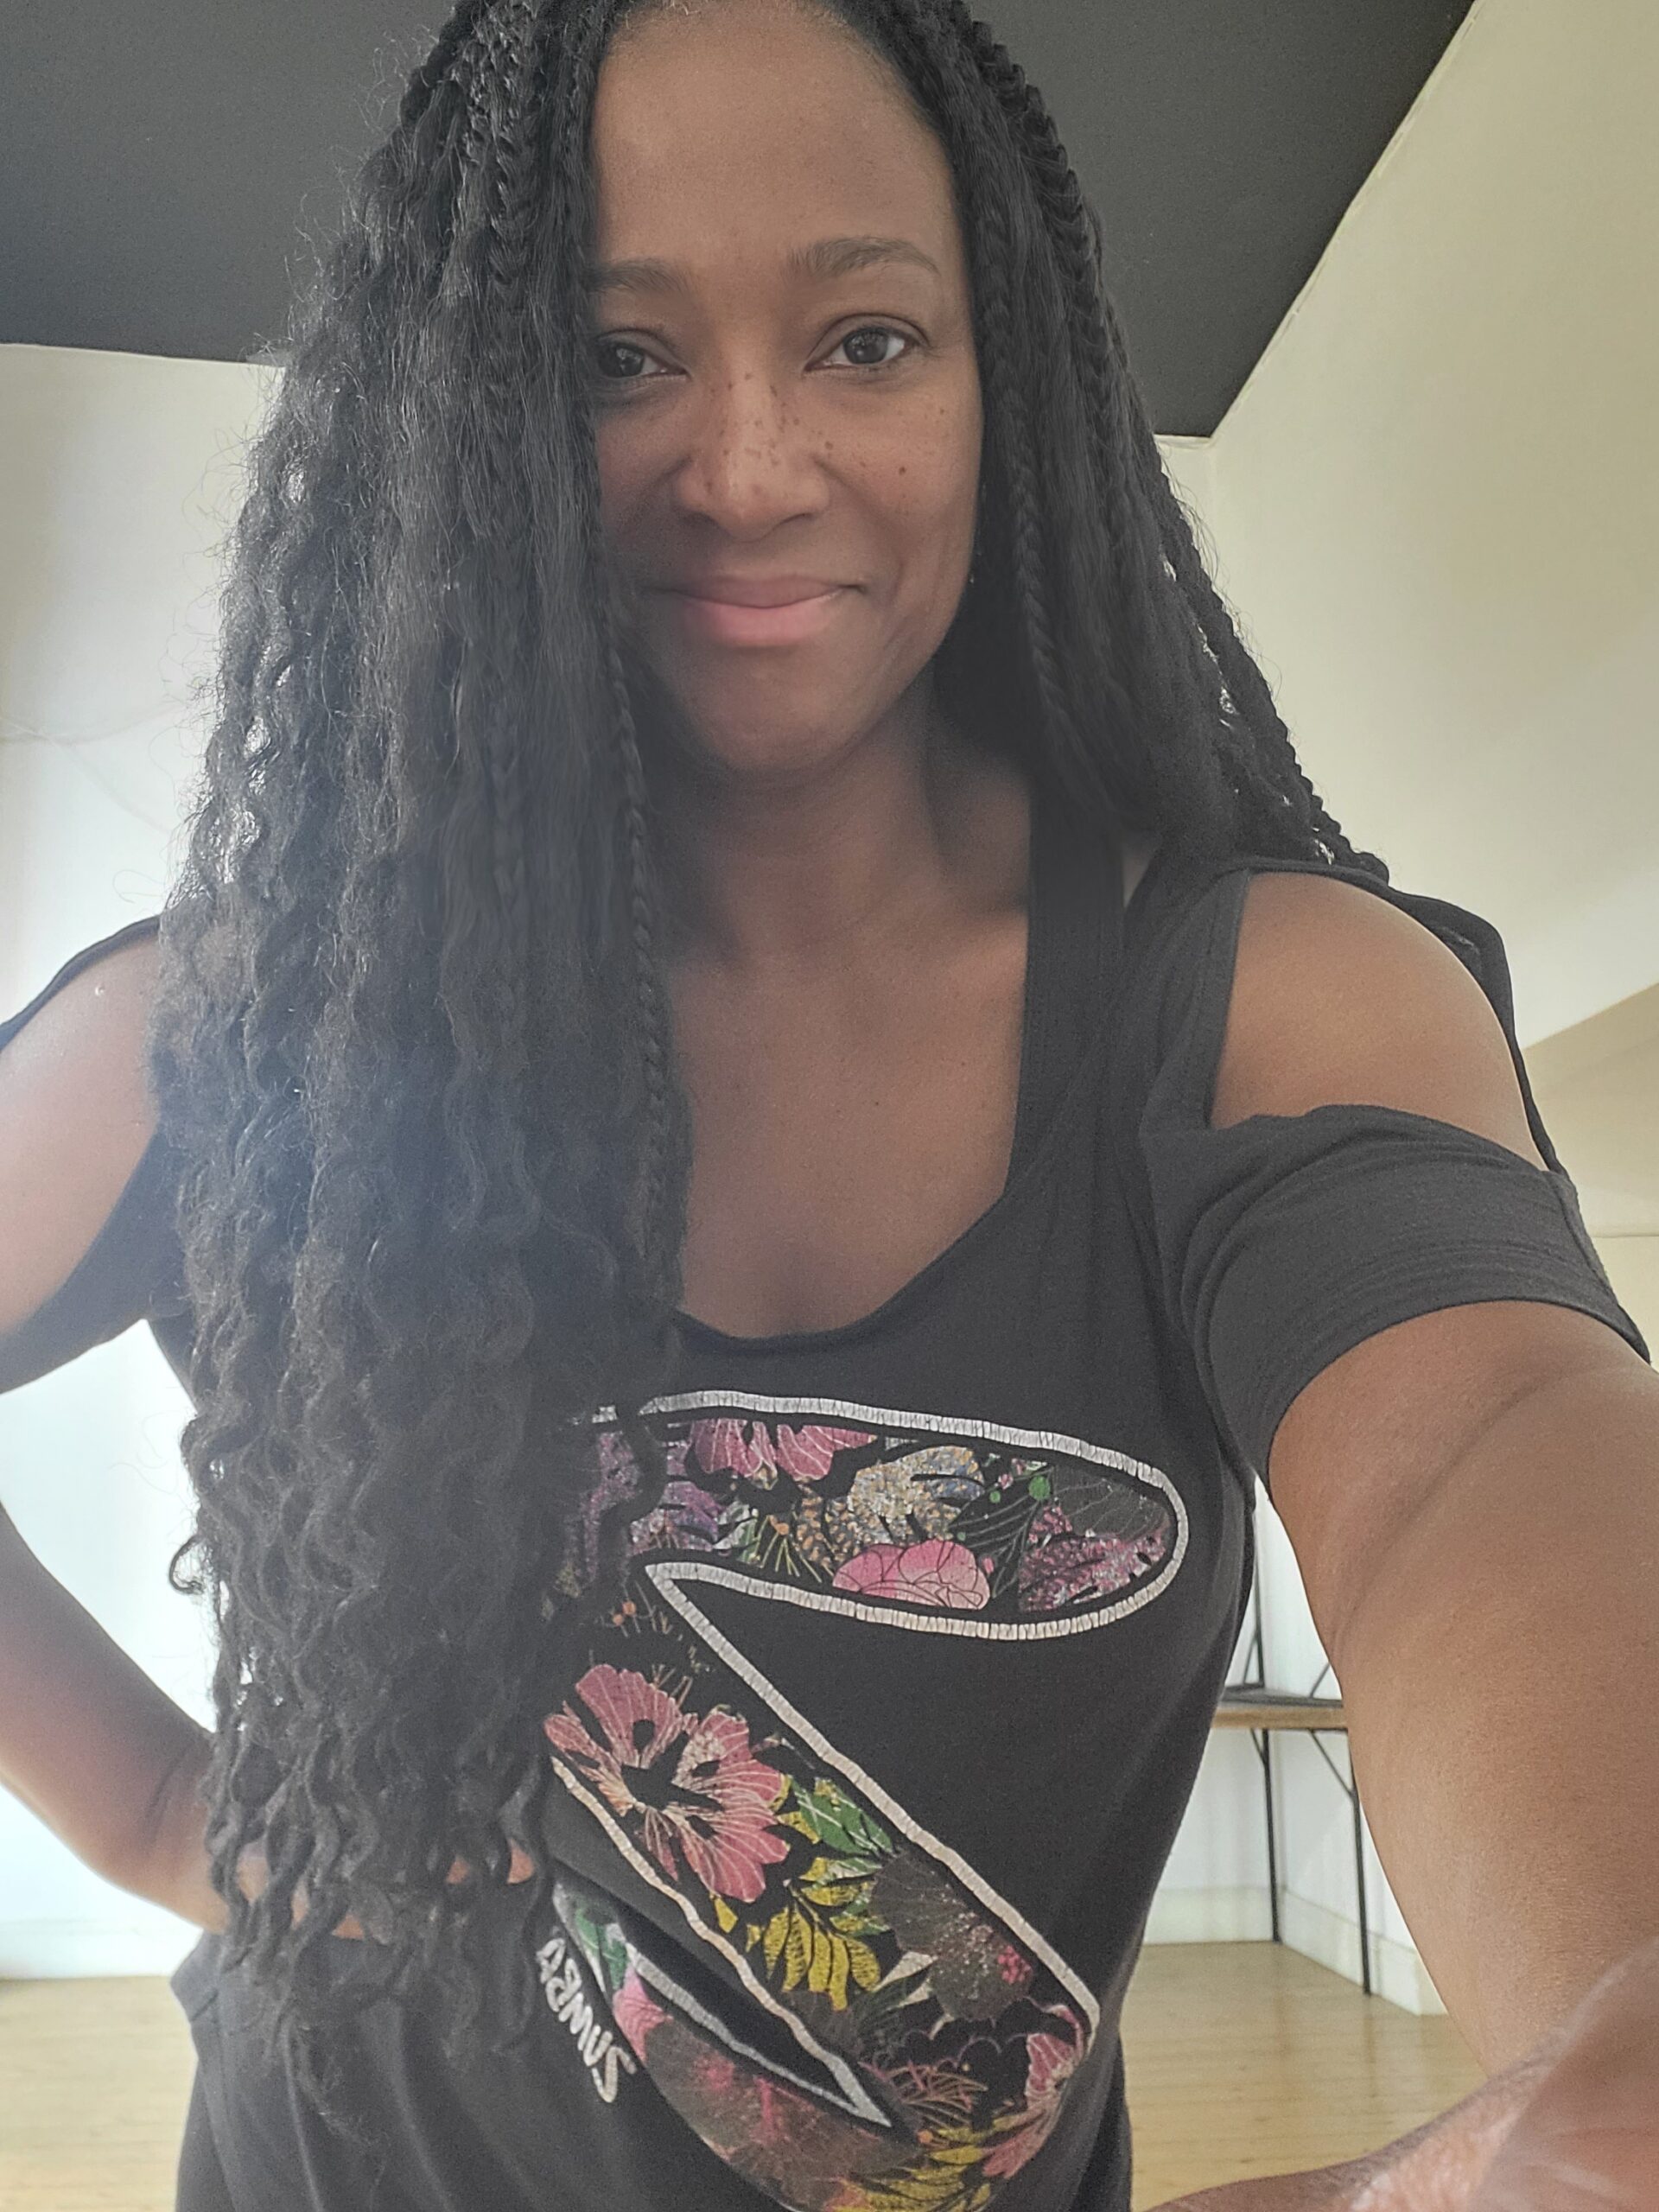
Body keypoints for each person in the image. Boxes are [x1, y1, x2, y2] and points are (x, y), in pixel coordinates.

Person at [3, 1, 1657, 2207]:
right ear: (467, 413)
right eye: (617, 356)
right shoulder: (235, 1037)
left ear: (1006, 383)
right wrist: (148, 1806)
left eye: (868, 340)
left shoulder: (1265, 1005)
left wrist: (1593, 2051)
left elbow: (1480, 1450)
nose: (755, 466)